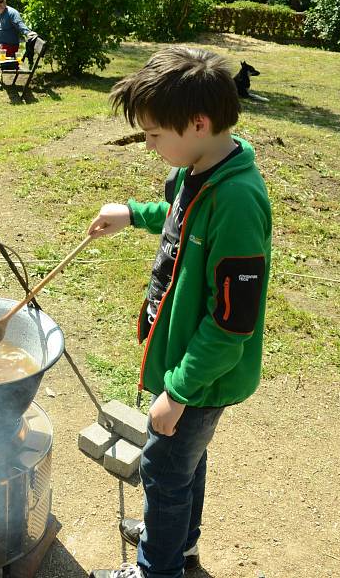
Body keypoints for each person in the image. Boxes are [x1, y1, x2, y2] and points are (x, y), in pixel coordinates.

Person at [86, 47, 272, 578]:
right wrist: (131, 213)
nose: (148, 146)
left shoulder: (237, 200)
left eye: (153, 135)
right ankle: (177, 543)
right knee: (185, 462)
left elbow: (233, 322)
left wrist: (179, 392)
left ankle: (156, 569)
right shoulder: (198, 168)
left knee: (164, 468)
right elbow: (179, 220)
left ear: (198, 122)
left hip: (202, 374)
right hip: (188, 367)